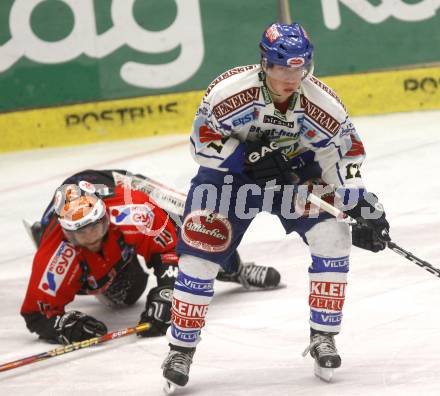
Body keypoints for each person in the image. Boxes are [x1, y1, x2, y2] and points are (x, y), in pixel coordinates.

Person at [161, 22, 390, 390]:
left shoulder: (322, 104)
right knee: (200, 253)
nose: (291, 78)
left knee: (333, 236)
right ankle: (181, 348)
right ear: (264, 65)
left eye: (299, 69)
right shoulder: (229, 93)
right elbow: (201, 143)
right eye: (283, 68)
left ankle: (323, 336)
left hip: (293, 178)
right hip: (229, 179)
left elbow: (343, 154)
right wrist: (245, 158)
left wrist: (359, 201)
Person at [21, 169, 281, 345]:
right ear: (67, 232)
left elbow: (171, 247)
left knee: (191, 223)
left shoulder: (132, 209)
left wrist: (168, 290)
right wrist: (64, 326)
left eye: (95, 227)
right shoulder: (56, 255)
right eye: (80, 233)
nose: (91, 238)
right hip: (83, 243)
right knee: (127, 294)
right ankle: (61, 248)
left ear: (105, 216)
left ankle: (235, 268)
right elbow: (36, 314)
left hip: (116, 182)